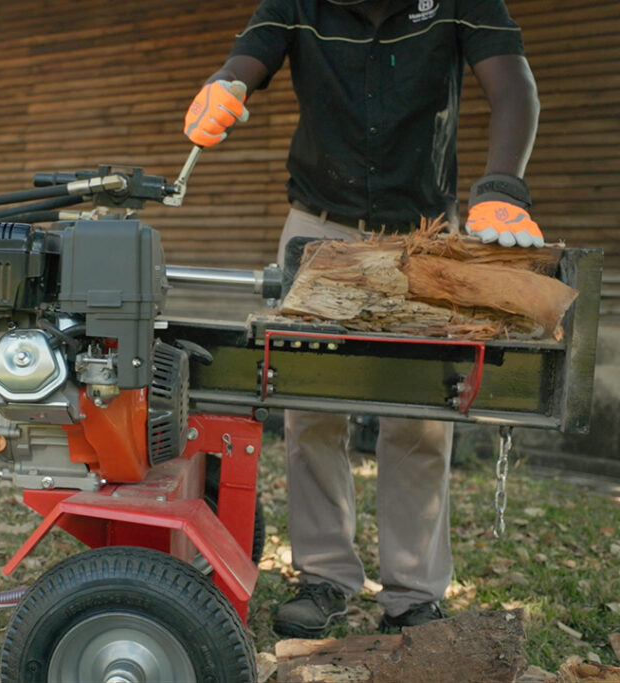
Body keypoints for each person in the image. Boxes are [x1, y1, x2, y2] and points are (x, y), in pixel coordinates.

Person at [183, 0, 541, 636]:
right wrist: (226, 84)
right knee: (312, 409)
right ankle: (323, 579)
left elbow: (513, 85)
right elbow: (250, 59)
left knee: (423, 416)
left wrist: (502, 187)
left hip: (424, 234)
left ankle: (413, 595)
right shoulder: (296, 4)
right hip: (321, 229)